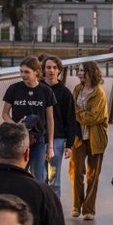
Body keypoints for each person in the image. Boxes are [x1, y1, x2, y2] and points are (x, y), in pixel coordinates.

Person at [0, 56, 56, 182]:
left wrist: (50, 146)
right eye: (21, 71)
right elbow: (5, 114)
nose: (23, 75)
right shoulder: (14, 89)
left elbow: (50, 119)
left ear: (36, 72)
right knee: (17, 177)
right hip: (18, 138)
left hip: (38, 140)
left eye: (26, 72)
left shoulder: (46, 91)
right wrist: (16, 126)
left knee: (38, 177)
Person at [72, 61, 109, 220]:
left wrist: (77, 114)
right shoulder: (77, 89)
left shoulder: (99, 93)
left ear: (90, 72)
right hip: (78, 138)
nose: (79, 73)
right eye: (79, 70)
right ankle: (76, 206)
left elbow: (94, 117)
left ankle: (89, 210)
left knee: (93, 176)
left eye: (82, 71)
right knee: (76, 172)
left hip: (96, 138)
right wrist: (80, 114)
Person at [42, 55, 78, 198]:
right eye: (48, 67)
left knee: (54, 179)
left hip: (57, 139)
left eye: (54, 68)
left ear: (59, 71)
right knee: (39, 176)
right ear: (43, 70)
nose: (51, 70)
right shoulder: (38, 88)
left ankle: (53, 209)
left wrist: (69, 144)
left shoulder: (64, 93)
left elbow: (70, 119)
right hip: (38, 138)